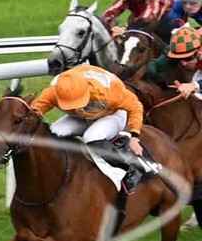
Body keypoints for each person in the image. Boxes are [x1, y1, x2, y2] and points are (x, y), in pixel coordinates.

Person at [30, 63, 149, 195]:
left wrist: (135, 136)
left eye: (77, 101)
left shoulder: (109, 90)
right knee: (54, 133)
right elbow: (34, 112)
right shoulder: (55, 91)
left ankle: (129, 168)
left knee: (92, 136)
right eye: (70, 104)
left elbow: (135, 106)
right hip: (83, 117)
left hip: (113, 114)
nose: (75, 107)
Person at [145, 25, 202, 100]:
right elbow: (155, 66)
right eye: (179, 59)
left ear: (199, 50)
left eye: (188, 58)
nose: (184, 63)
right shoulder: (177, 47)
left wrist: (195, 85)